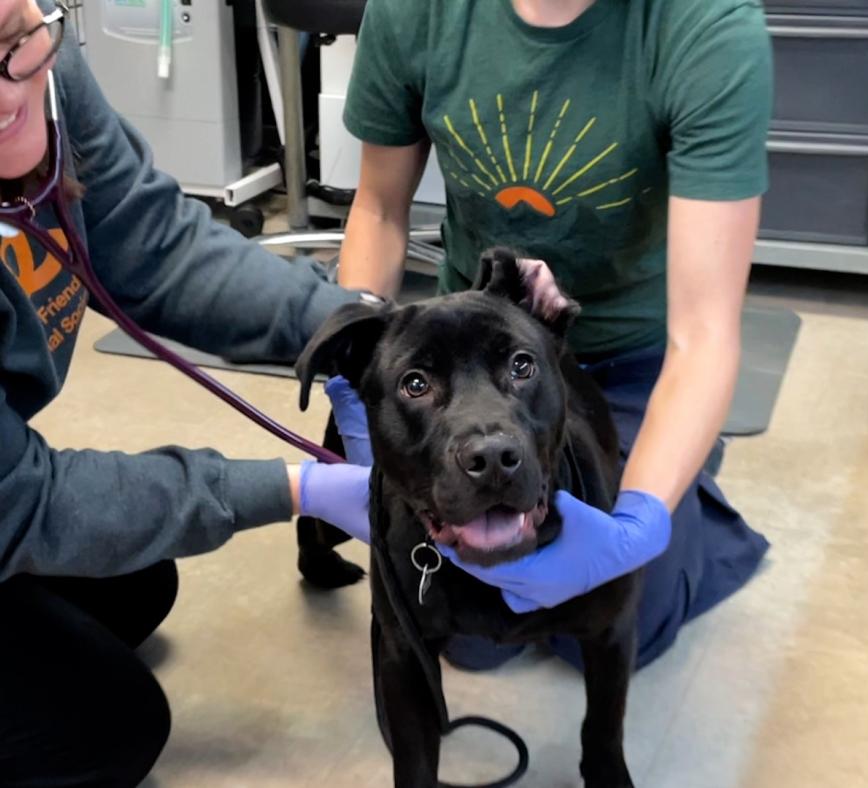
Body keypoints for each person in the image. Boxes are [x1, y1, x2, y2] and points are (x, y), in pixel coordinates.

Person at [0, 3, 676, 784]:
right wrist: (301, 487)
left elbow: (154, 244)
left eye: (14, 36)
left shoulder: (43, 69)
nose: (10, 88)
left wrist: (376, 338)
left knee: (133, 584)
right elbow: (21, 504)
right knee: (107, 730)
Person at [322, 0, 774, 671]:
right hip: (472, 360)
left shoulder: (705, 27)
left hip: (632, 363)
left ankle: (687, 487)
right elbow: (380, 210)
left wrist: (641, 522)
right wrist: (363, 393)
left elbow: (705, 334)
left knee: (621, 621)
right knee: (471, 626)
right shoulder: (416, 11)